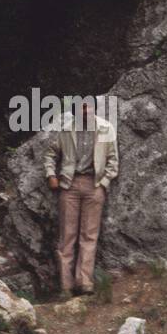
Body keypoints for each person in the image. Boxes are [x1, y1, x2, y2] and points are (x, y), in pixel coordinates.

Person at [43, 97, 119, 298]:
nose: (86, 111)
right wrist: (51, 175)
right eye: (82, 108)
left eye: (89, 106)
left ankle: (84, 282)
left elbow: (113, 161)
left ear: (94, 108)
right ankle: (66, 286)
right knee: (66, 237)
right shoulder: (67, 129)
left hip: (94, 185)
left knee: (89, 236)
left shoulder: (105, 128)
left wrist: (103, 184)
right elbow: (51, 154)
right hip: (69, 185)